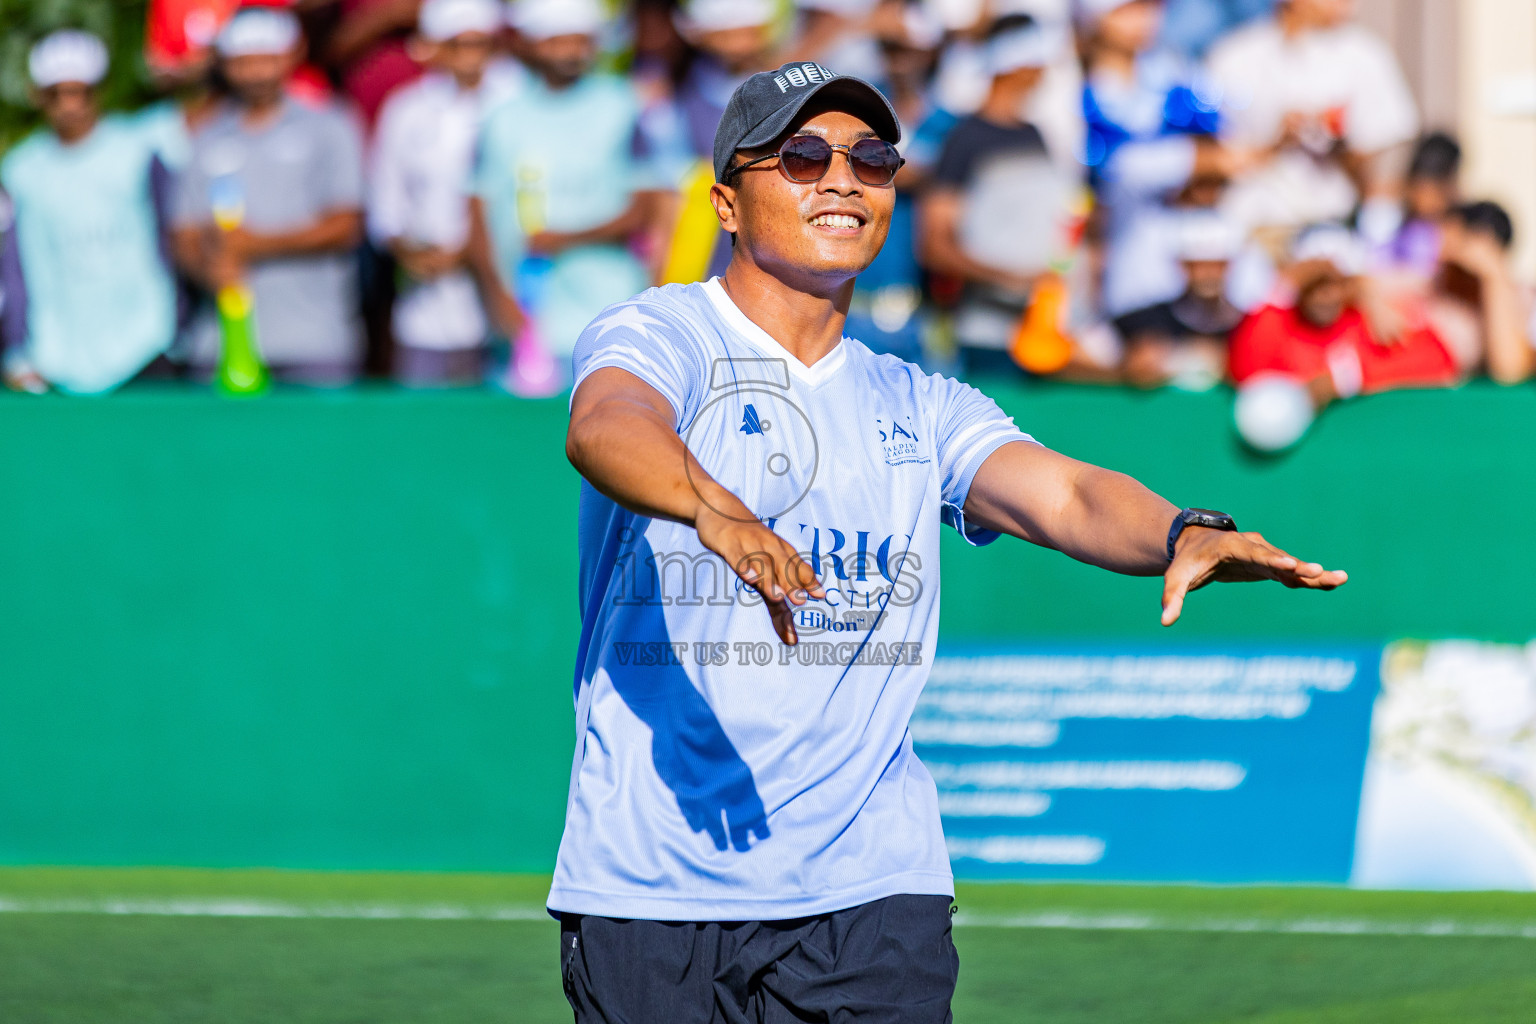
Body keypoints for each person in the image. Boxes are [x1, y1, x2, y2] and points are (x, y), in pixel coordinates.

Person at [553, 59, 1347, 1022]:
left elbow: (1066, 494)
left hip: (873, 889)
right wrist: (715, 506)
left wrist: (1184, 528)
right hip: (654, 882)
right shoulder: (663, 328)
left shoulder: (914, 398)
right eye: (803, 154)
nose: (843, 178)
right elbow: (606, 427)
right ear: (727, 201)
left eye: (873, 157)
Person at [172, 7, 367, 384]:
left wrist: (254, 244)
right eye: (244, 62)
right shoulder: (204, 136)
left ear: (291, 55)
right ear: (226, 64)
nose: (256, 72)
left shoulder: (331, 125)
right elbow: (185, 236)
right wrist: (209, 268)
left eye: (267, 59)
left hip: (314, 343)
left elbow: (345, 225)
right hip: (219, 344)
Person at [466, 0, 658, 369]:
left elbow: (644, 209)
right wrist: (497, 297)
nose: (570, 52)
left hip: (610, 313)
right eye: (558, 41)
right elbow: (477, 215)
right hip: (525, 317)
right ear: (530, 43)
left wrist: (565, 240)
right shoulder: (502, 118)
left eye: (580, 41)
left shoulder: (623, 105)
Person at [0, 31, 179, 395]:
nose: (70, 105)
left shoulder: (140, 151)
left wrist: (178, 330)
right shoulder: (20, 169)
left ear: (100, 91)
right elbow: (13, 269)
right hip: (55, 357)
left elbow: (172, 240)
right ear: (38, 95)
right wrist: (17, 351)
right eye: (56, 94)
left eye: (80, 91)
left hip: (146, 345)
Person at [370, 0, 522, 386]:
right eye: (458, 43)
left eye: (479, 43)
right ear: (434, 46)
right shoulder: (405, 109)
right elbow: (385, 208)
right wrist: (411, 252)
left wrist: (471, 251)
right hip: (426, 306)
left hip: (510, 297)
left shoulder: (518, 98)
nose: (470, 55)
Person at [919, 14, 1067, 376]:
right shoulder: (965, 139)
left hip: (1043, 333)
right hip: (984, 337)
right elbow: (935, 245)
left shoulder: (1036, 135)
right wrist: (1009, 280)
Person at [1205, 0, 1418, 241]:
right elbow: (1210, 161)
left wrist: (1337, 141)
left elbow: (1384, 173)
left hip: (1333, 228)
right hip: (1249, 227)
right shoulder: (1234, 57)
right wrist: (1278, 142)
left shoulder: (1365, 54)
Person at [1228, 225, 1466, 408]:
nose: (1325, 294)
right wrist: (1283, 287)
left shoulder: (1367, 322)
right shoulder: (1282, 323)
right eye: (1314, 284)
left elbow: (1439, 360)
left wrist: (1346, 379)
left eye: (1336, 283)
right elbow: (1245, 369)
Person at [1115, 211, 1243, 389]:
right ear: (1182, 265)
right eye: (1198, 264)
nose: (1208, 273)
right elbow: (1082, 351)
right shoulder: (1143, 321)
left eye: (1217, 264)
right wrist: (1128, 365)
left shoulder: (1247, 324)